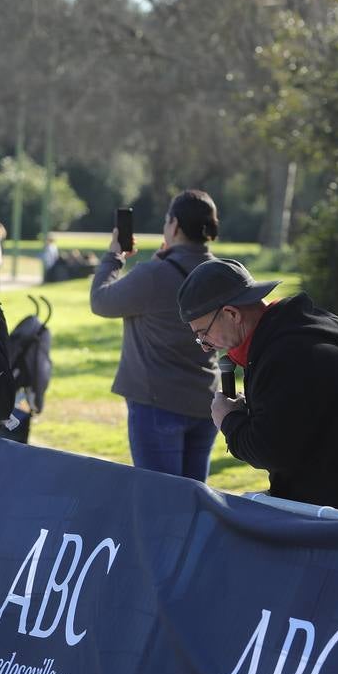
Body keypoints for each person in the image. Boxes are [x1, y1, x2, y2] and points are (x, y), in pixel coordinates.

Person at [179, 258, 338, 518]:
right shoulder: (283, 341)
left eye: (203, 333)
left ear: (232, 314)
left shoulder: (290, 354)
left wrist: (228, 420)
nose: (204, 345)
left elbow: (271, 451)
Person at [89, 190, 220, 481]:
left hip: (158, 403)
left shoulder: (153, 274)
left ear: (173, 225)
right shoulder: (220, 272)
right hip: (205, 403)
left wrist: (114, 256)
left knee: (159, 504)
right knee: (194, 503)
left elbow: (101, 301)